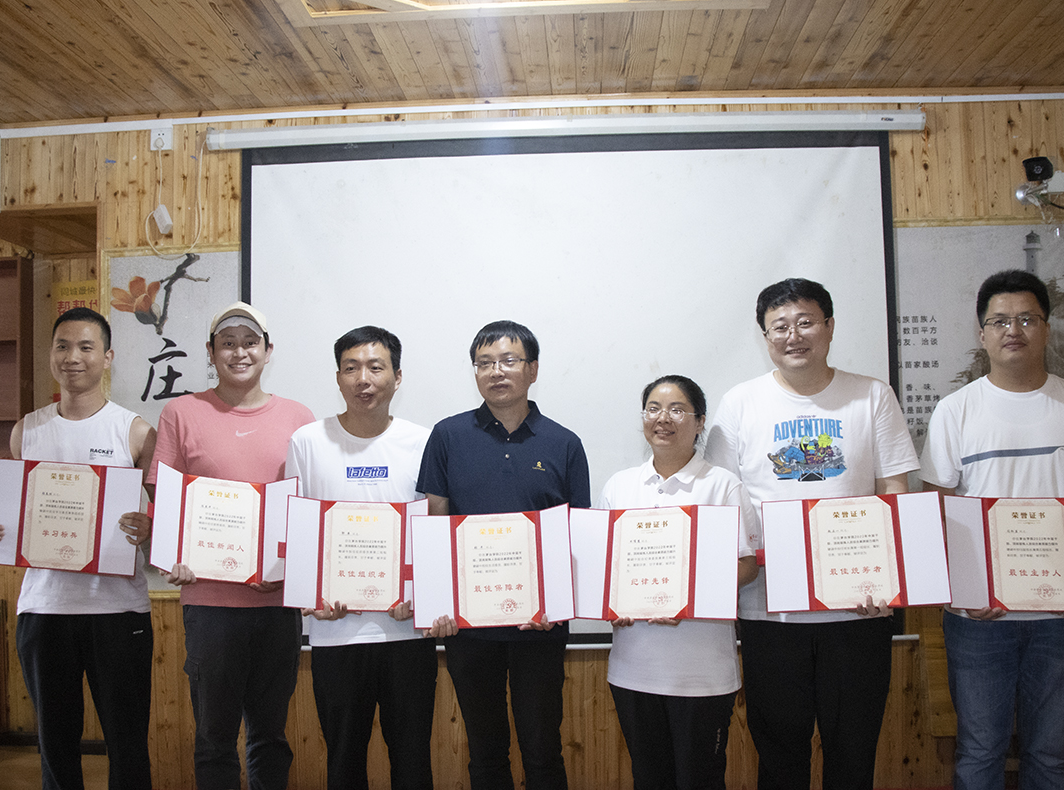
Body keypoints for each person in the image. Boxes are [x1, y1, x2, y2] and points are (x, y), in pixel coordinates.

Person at [704, 277, 918, 790]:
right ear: (765, 336)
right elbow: (721, 502)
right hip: (769, 611)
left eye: (805, 322)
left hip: (859, 607)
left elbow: (894, 490)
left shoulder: (871, 395)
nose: (793, 336)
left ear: (829, 326)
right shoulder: (740, 402)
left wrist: (890, 580)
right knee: (779, 754)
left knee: (854, 751)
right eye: (779, 326)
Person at [919, 269, 1064, 790]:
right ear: (982, 334)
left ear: (1047, 328)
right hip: (979, 620)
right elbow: (938, 510)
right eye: (1000, 321)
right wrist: (968, 591)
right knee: (978, 753)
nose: (1014, 330)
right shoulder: (955, 411)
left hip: (1063, 616)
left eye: (1027, 319)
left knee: (1052, 756)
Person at [0, 307, 157, 790]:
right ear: (51, 354)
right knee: (55, 744)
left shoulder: (135, 432)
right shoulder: (27, 430)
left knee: (127, 743)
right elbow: (12, 517)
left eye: (85, 347)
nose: (72, 357)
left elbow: (163, 526)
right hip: (44, 610)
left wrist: (149, 528)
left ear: (107, 357)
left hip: (118, 612)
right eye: (62, 346)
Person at [148, 301, 315, 790]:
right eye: (228, 343)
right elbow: (165, 496)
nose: (239, 352)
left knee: (270, 736)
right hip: (210, 604)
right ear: (210, 352)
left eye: (250, 342)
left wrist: (287, 569)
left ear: (267, 351)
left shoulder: (299, 417)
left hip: (276, 603)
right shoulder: (181, 412)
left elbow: (307, 506)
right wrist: (174, 554)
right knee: (214, 738)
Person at [417, 320, 590, 790]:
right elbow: (436, 522)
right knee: (485, 751)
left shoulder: (564, 443)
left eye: (509, 361)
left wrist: (557, 604)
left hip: (540, 627)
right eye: (484, 363)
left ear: (532, 369)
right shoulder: (448, 435)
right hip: (470, 629)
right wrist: (437, 603)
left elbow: (576, 536)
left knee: (543, 750)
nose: (496, 372)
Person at [285, 326, 436, 790]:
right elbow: (297, 529)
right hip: (336, 634)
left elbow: (436, 529)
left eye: (375, 367)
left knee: (412, 761)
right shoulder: (307, 441)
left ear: (397, 376)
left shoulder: (424, 442)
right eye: (351, 368)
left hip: (407, 632)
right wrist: (311, 597)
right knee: (344, 762)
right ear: (338, 377)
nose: (363, 379)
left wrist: (424, 597)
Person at [599, 375, 758, 790]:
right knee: (649, 779)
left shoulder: (722, 485)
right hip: (633, 670)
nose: (662, 418)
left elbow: (747, 566)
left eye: (677, 410)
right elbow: (604, 568)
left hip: (702, 674)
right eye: (653, 408)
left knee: (700, 780)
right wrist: (607, 600)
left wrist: (688, 597)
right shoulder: (620, 486)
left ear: (700, 421)